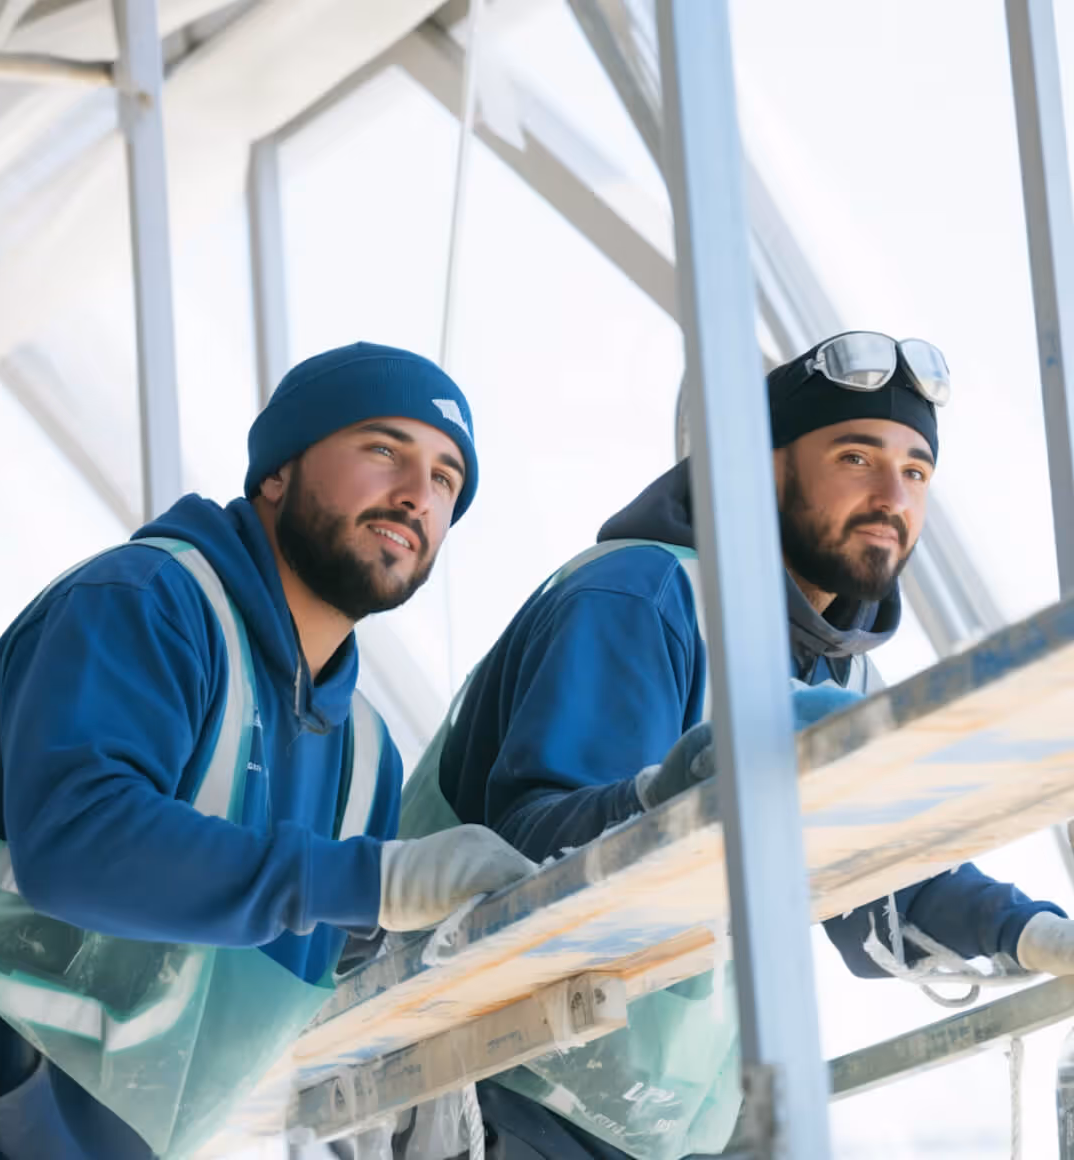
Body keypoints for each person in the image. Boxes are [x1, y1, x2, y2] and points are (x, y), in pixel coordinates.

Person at [397, 331, 1074, 1160]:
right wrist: (668, 800)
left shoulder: (835, 682)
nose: (892, 494)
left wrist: (1027, 931)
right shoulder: (641, 596)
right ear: (764, 467)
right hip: (510, 1090)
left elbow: (872, 885)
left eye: (916, 470)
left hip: (668, 1119)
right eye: (856, 458)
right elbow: (525, 853)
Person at [0, 342, 535, 1160]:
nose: (415, 495)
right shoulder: (147, 605)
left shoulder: (365, 756)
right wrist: (376, 880)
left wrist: (407, 1054)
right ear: (277, 472)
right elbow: (79, 845)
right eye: (384, 449)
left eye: (445, 480)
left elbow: (288, 982)